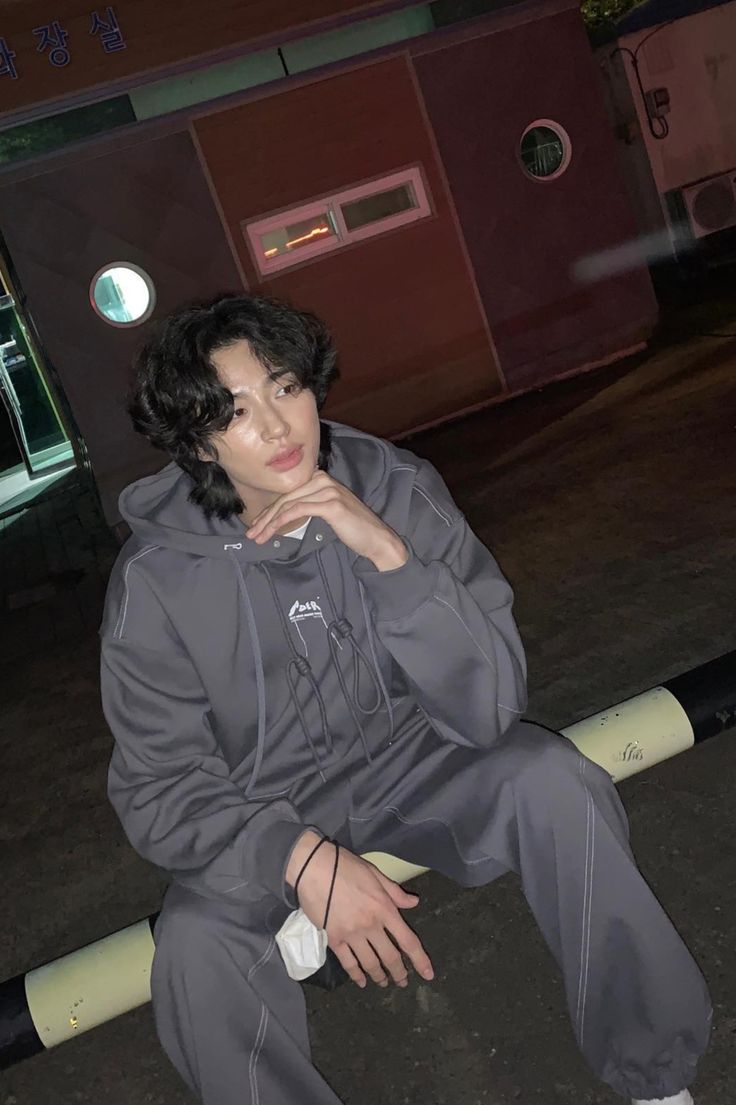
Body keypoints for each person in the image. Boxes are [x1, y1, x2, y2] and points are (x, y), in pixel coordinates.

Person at [100, 293, 711, 1105]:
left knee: (552, 780)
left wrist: (389, 556)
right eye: (236, 410)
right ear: (198, 440)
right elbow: (159, 785)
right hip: (261, 808)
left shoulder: (394, 486)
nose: (279, 427)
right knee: (192, 946)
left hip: (413, 761)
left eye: (286, 387)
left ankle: (655, 1074)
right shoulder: (156, 582)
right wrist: (298, 858)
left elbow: (491, 705)